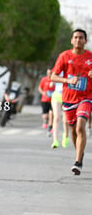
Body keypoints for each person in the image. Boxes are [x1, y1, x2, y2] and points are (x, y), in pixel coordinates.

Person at [50, 28, 92, 175]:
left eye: (81, 38)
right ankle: (79, 154)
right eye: (75, 37)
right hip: (68, 98)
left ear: (85, 41)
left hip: (86, 97)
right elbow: (53, 77)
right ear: (71, 40)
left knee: (81, 126)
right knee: (73, 129)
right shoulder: (64, 56)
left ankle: (78, 162)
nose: (78, 40)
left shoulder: (90, 57)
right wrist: (68, 80)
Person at [50, 71, 70, 149]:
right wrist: (51, 78)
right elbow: (51, 85)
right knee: (56, 117)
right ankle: (55, 140)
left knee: (65, 120)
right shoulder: (56, 71)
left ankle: (66, 136)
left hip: (66, 95)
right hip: (56, 95)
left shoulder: (69, 70)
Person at [38, 69, 55, 134]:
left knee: (51, 114)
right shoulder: (44, 79)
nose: (49, 74)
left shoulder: (55, 80)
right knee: (45, 115)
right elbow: (39, 88)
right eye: (48, 73)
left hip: (53, 100)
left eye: (50, 73)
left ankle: (50, 127)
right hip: (44, 99)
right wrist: (43, 93)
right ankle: (45, 121)